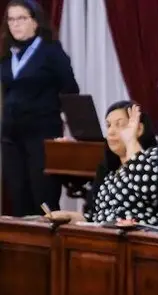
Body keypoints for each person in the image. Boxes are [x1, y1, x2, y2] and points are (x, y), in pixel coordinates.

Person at [48, 102, 158, 229]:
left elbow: (147, 189)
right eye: (108, 125)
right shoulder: (110, 171)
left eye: (120, 125)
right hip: (112, 240)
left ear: (139, 129)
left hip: (151, 241)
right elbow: (97, 218)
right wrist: (70, 216)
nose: (110, 132)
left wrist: (131, 141)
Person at [1, 0, 78, 216]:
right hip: (11, 136)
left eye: (21, 18)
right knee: (18, 196)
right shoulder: (7, 54)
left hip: (42, 134)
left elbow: (70, 90)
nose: (15, 24)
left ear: (35, 22)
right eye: (11, 19)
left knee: (43, 196)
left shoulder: (51, 51)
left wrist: (70, 128)